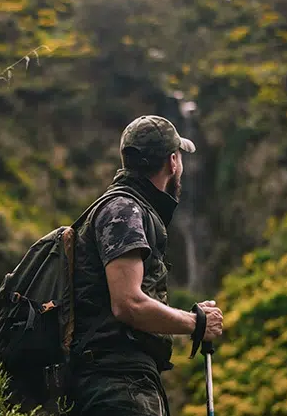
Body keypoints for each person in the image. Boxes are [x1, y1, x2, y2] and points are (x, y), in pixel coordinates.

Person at [70, 115, 223, 416]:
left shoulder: (130, 209)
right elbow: (128, 304)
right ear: (173, 161)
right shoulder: (124, 210)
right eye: (179, 158)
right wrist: (196, 324)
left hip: (125, 383)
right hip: (117, 387)